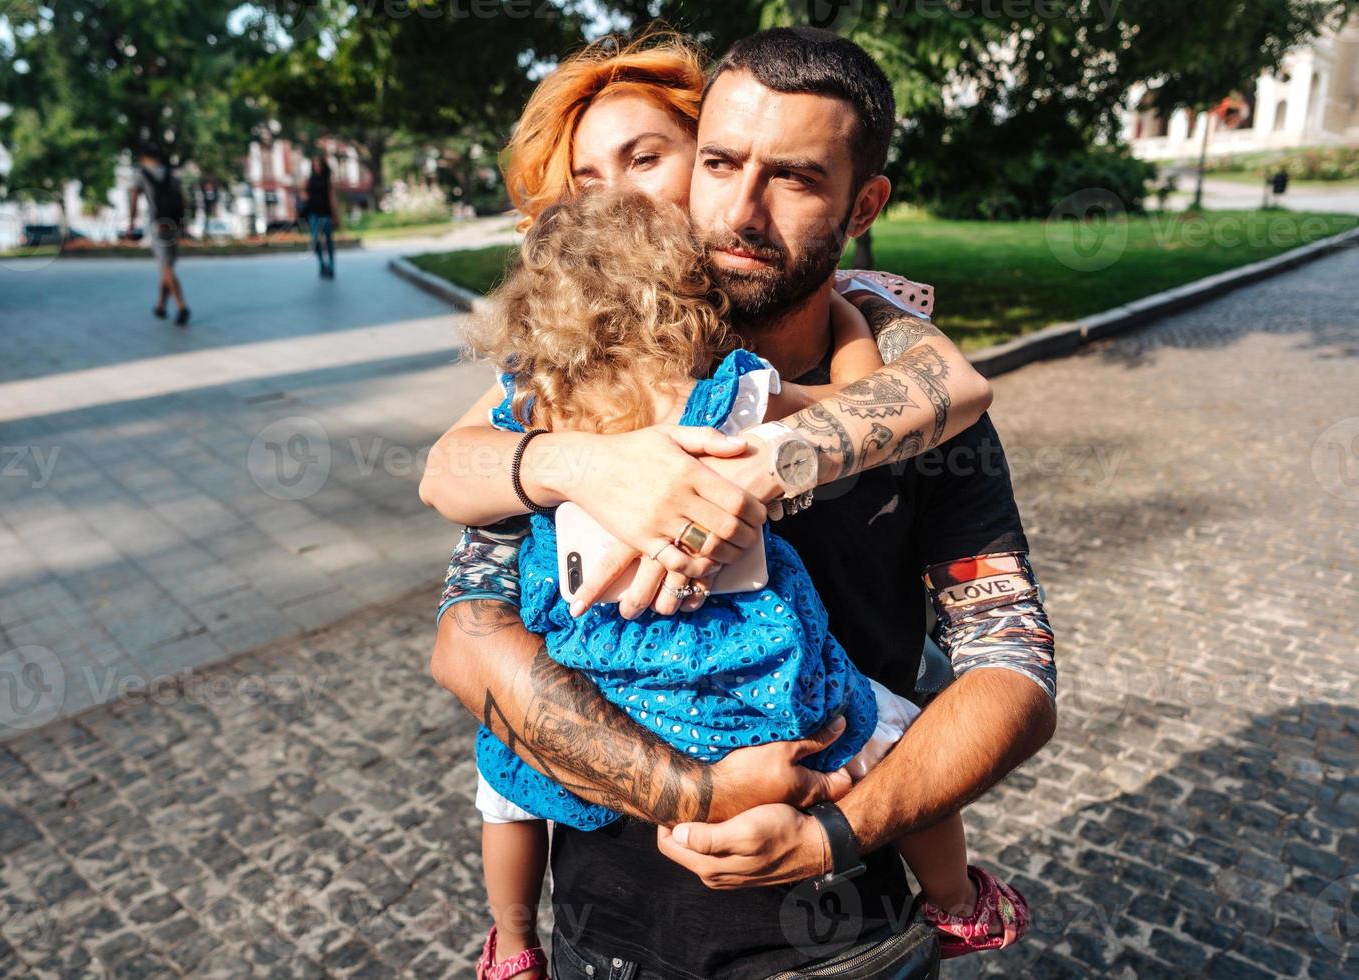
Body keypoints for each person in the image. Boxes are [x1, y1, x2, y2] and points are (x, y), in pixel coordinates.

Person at [426, 28, 1057, 979]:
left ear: (863, 205)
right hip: (612, 941)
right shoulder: (572, 386)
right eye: (723, 163)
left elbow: (1014, 671)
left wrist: (837, 832)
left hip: (854, 946)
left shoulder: (906, 387)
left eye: (795, 177)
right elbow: (467, 635)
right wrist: (699, 791)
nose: (740, 208)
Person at [128, 145, 191, 326]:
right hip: (174, 223)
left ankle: (181, 306)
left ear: (144, 158)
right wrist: (183, 223)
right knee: (167, 265)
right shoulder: (172, 174)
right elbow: (183, 199)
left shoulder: (141, 174)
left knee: (166, 267)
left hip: (158, 224)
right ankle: (161, 306)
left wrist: (131, 224)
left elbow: (134, 200)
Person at [304, 153, 339, 278]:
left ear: (323, 165)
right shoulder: (309, 179)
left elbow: (332, 197)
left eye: (319, 164)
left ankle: (331, 266)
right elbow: (304, 194)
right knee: (315, 240)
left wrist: (335, 215)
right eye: (314, 165)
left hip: (326, 212)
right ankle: (322, 264)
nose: (317, 167)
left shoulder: (328, 179)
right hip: (313, 213)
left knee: (328, 241)